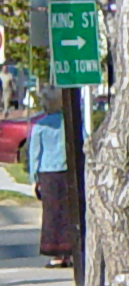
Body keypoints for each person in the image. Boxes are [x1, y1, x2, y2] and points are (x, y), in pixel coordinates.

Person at [26, 89, 76, 268]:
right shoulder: (69, 123)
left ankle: (55, 254)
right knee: (69, 212)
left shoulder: (40, 126)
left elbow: (35, 155)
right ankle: (69, 252)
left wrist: (34, 179)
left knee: (51, 214)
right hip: (69, 172)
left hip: (48, 174)